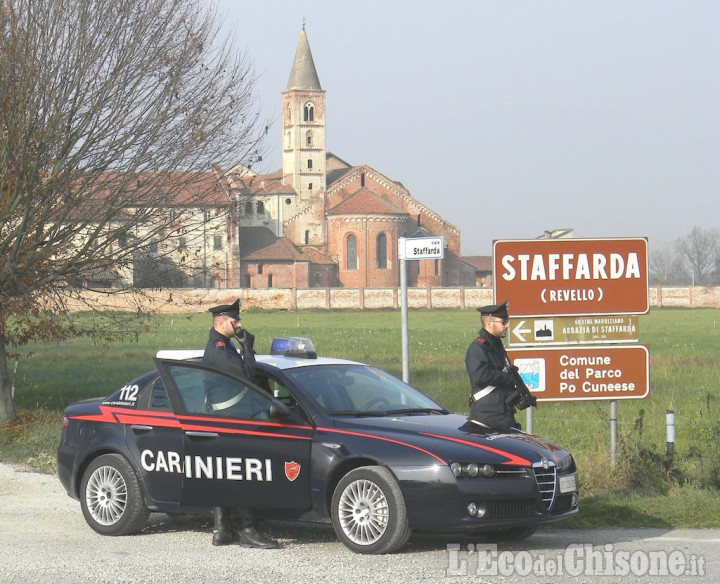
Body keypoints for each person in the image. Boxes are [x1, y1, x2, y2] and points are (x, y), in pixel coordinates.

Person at [202, 299, 279, 549]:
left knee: (224, 474)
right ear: (222, 322)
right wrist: (249, 348)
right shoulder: (219, 349)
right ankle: (248, 530)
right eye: (235, 321)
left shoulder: (223, 345)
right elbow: (247, 376)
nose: (239, 324)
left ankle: (223, 530)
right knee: (242, 473)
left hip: (227, 420)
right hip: (229, 422)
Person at [464, 300, 520, 430]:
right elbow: (480, 376)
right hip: (486, 419)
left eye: (507, 320)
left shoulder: (497, 346)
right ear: (489, 323)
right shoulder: (478, 348)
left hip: (503, 416)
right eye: (503, 322)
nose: (507, 325)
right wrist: (508, 379)